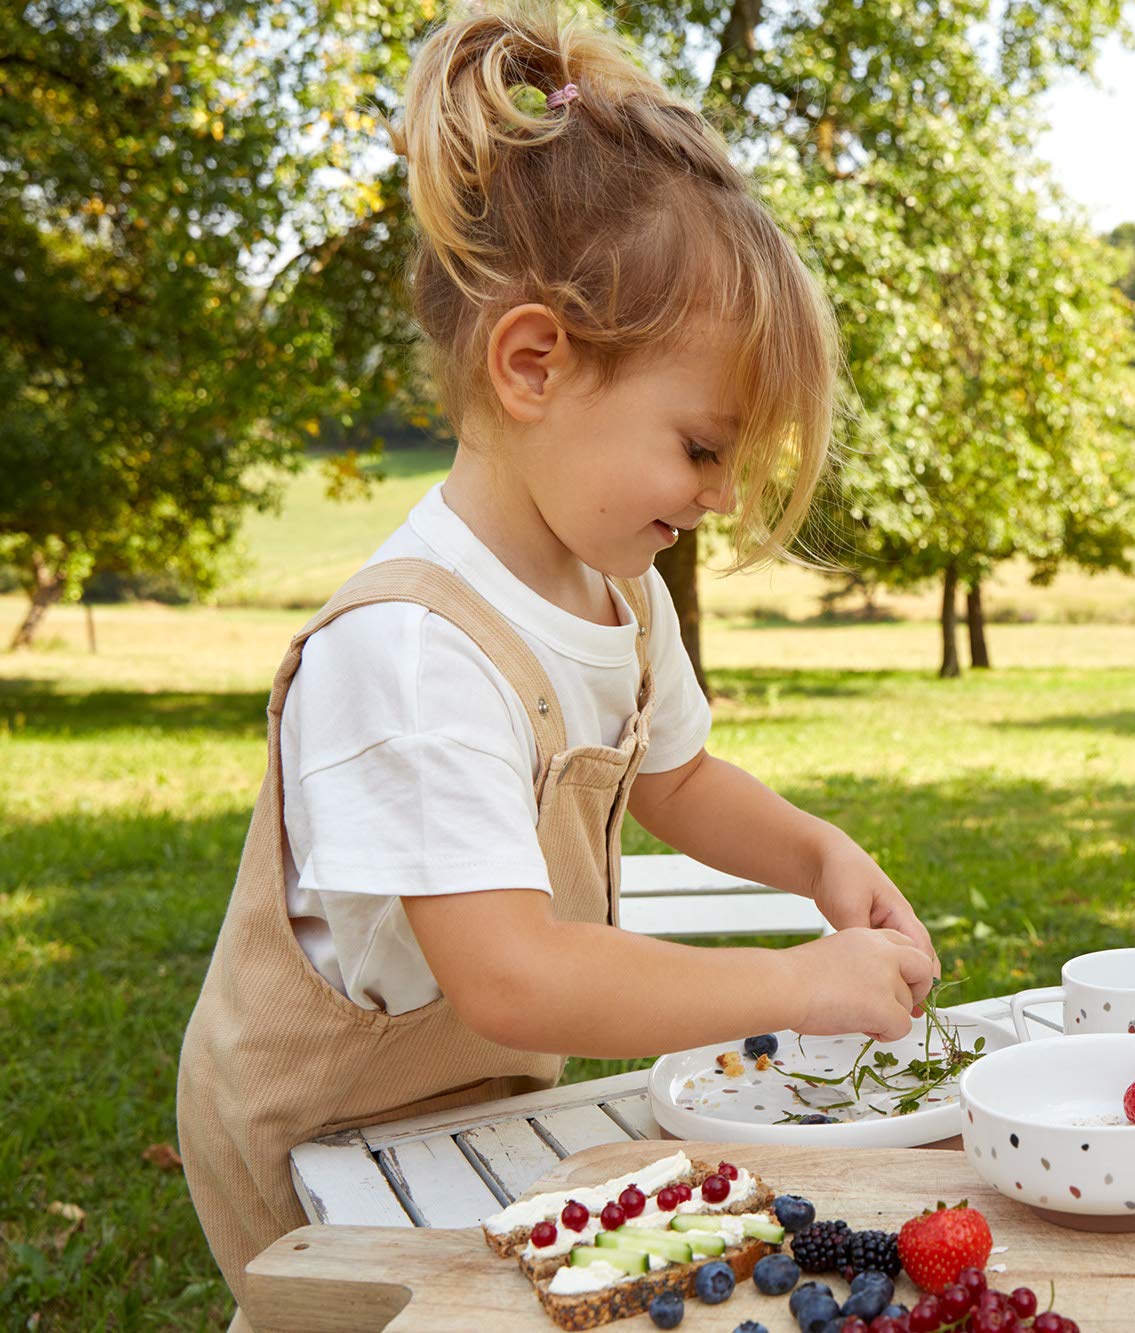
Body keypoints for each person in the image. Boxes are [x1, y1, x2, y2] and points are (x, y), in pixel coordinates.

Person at [175, 1, 937, 1314]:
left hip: (478, 1115)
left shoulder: (615, 592)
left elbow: (674, 778)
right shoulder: (412, 650)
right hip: (324, 1162)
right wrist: (797, 984)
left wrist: (814, 855)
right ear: (534, 363)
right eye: (702, 447)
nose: (720, 496)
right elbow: (512, 972)